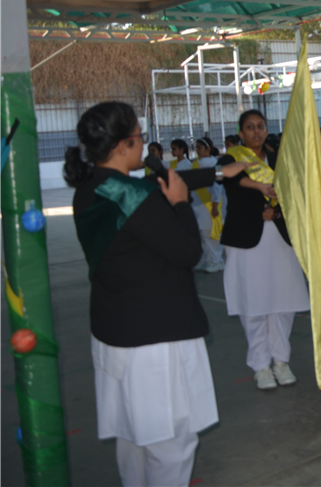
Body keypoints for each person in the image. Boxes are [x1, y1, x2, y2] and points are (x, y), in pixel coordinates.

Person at [65, 102, 247, 487]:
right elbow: (189, 252)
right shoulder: (135, 197)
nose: (144, 143)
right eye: (140, 137)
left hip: (115, 332)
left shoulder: (89, 189)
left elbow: (154, 185)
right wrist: (181, 205)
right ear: (123, 144)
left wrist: (218, 172)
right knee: (170, 443)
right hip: (154, 340)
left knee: (133, 438)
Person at [218, 110, 311, 391]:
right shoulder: (231, 158)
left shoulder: (280, 157)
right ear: (241, 132)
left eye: (260, 126)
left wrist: (276, 214)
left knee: (283, 303)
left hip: (279, 238)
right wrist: (260, 188)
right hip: (246, 238)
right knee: (254, 305)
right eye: (250, 127)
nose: (256, 131)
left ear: (267, 129)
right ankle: (260, 366)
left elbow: (294, 192)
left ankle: (281, 361)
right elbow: (229, 181)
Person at [190, 136, 226, 273]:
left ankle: (217, 261)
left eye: (199, 147)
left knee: (211, 233)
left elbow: (219, 185)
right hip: (197, 203)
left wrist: (215, 205)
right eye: (196, 148)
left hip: (210, 203)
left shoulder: (218, 164)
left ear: (208, 148)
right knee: (201, 234)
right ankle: (206, 260)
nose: (197, 150)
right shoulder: (195, 164)